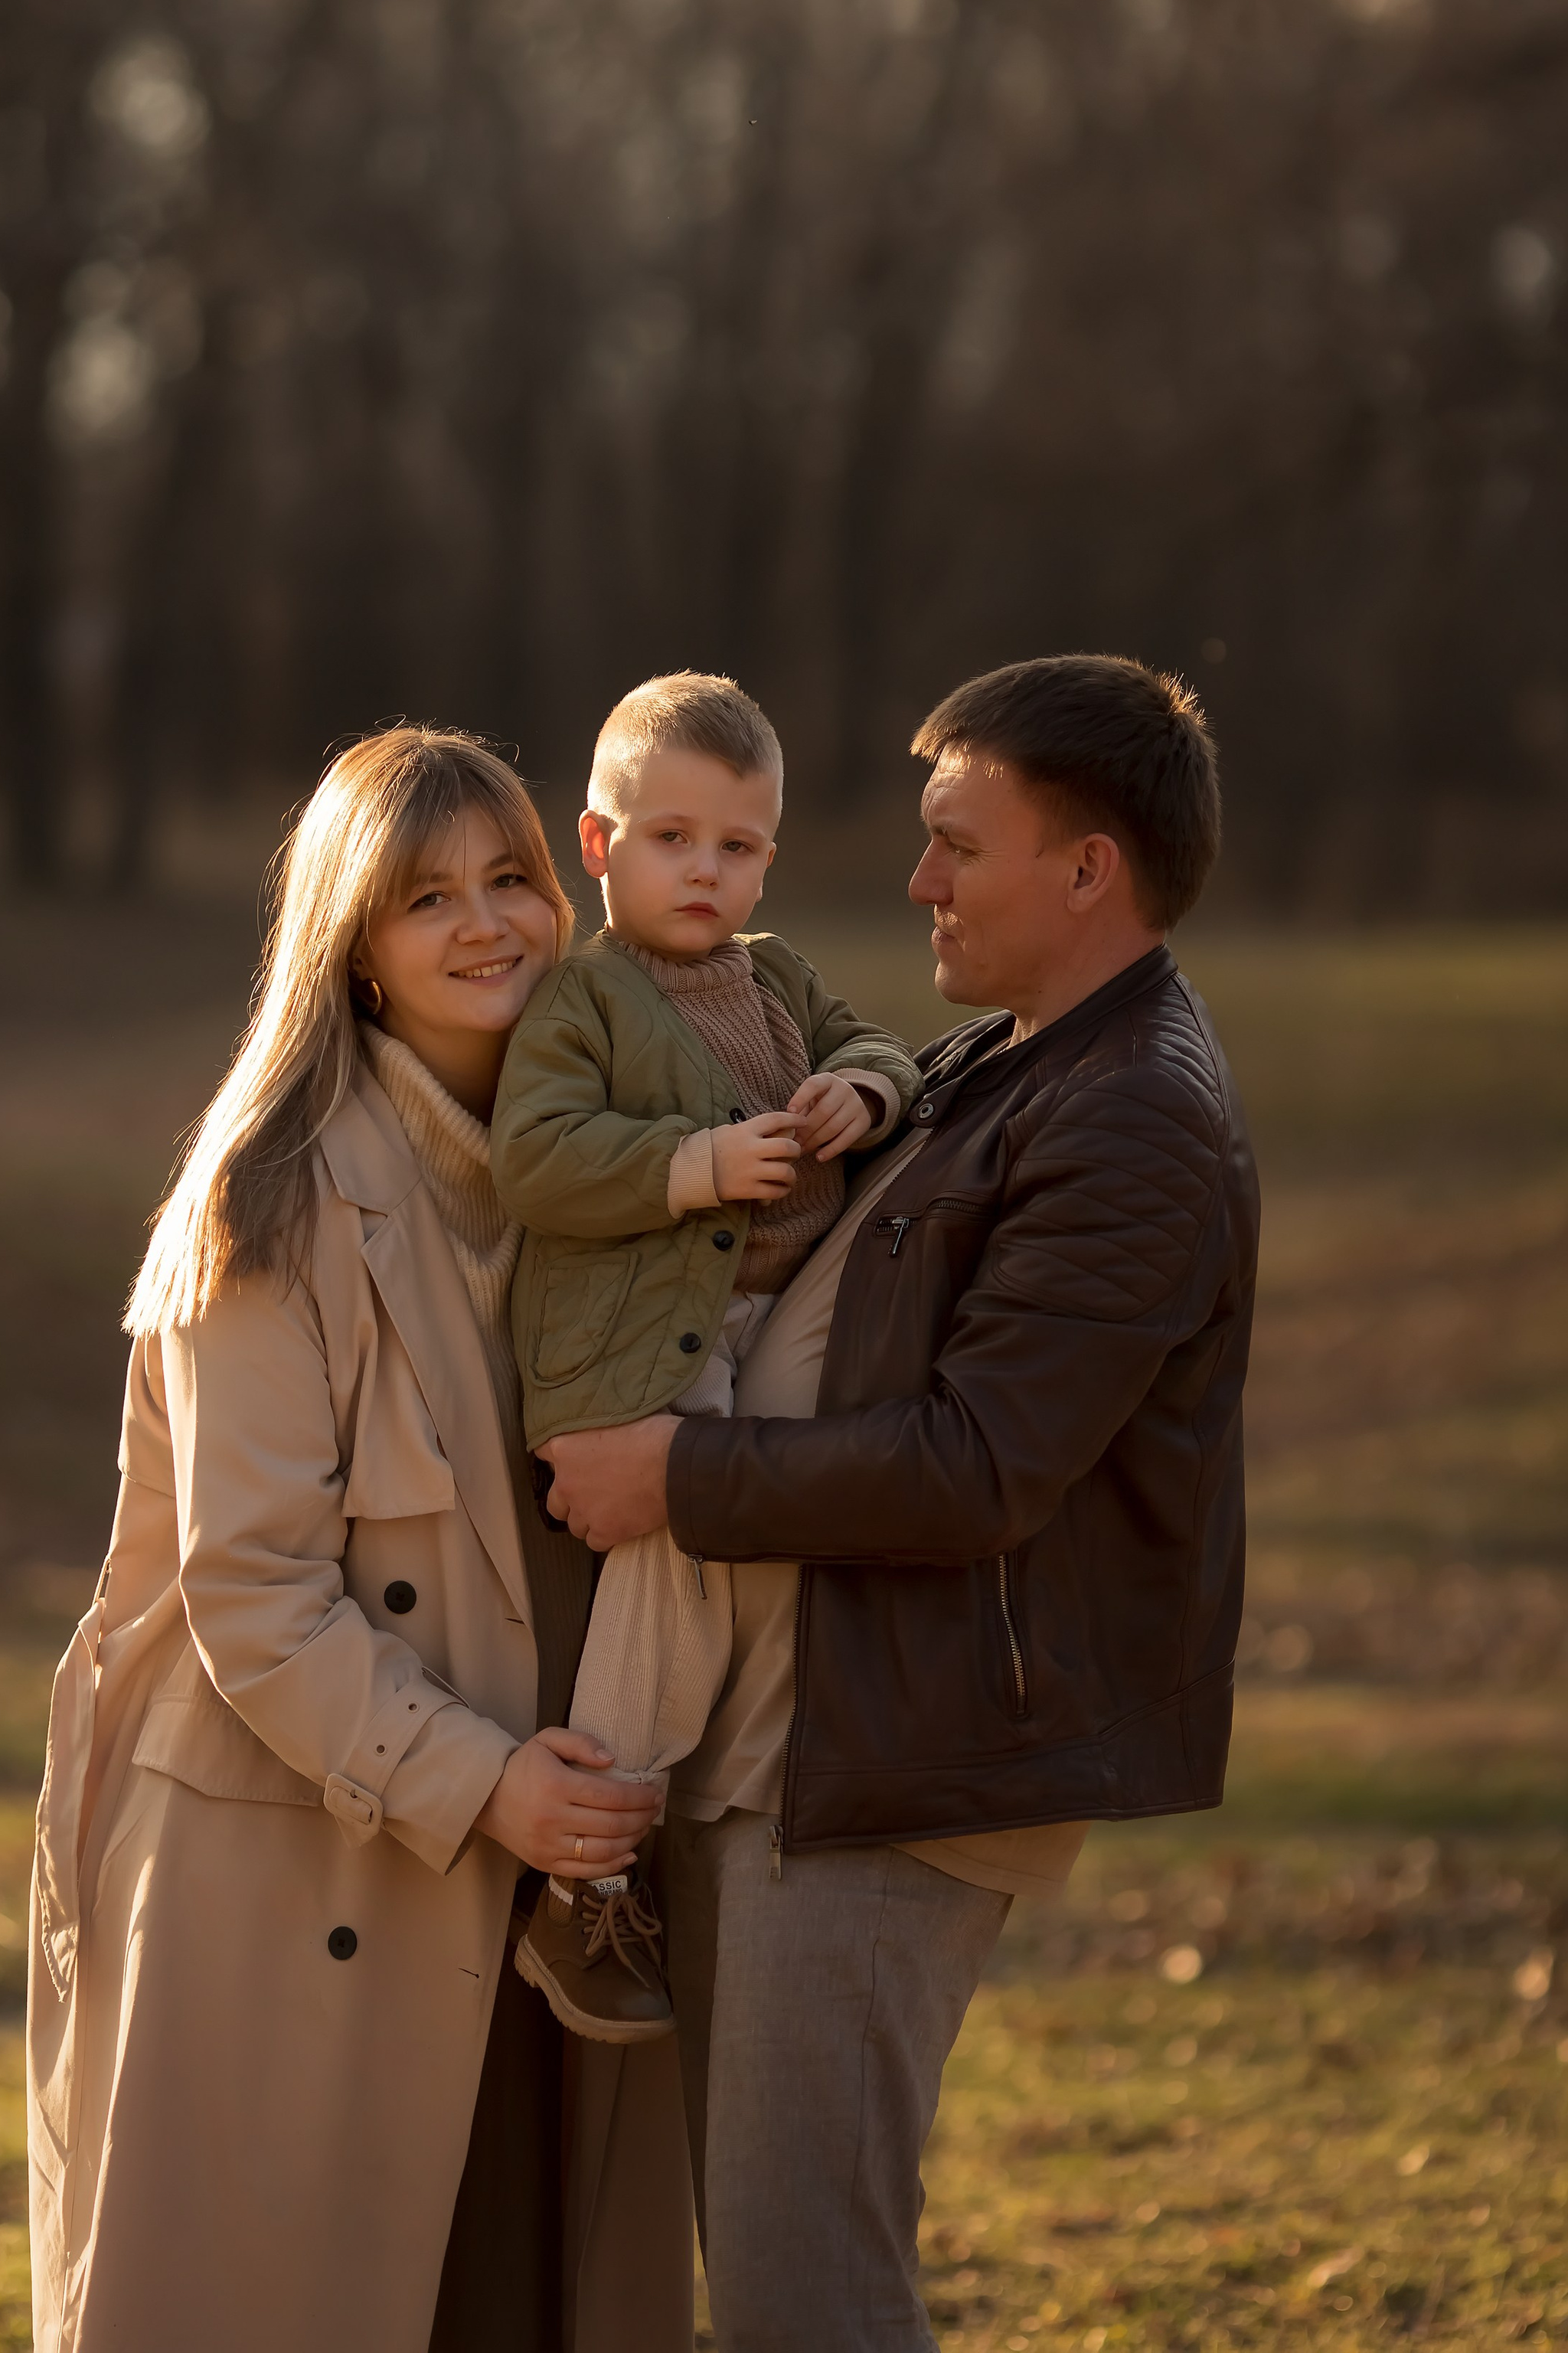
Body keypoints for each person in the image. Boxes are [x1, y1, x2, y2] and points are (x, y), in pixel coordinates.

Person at [541, 654, 1261, 2353]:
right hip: (800, 1732)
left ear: (1086, 869)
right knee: (771, 2269)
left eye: (958, 845)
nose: (917, 881)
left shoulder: (1137, 1116)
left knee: (808, 2295)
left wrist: (674, 1474)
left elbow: (977, 1466)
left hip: (896, 1762)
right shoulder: (999, 1061)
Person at [26, 727, 694, 2353]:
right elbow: (250, 1592)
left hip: (553, 1865)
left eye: (512, 880)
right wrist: (489, 1786)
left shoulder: (605, 1168)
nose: (487, 926)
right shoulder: (269, 1194)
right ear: (355, 953)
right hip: (316, 1862)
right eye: (423, 900)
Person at [488, 673, 921, 2041]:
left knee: (749, 1567)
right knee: (682, 1543)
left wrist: (864, 1089)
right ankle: (590, 1872)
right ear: (600, 845)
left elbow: (877, 1042)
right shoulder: (583, 1003)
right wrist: (693, 1165)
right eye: (673, 840)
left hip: (762, 1326)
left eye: (736, 848)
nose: (706, 872)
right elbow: (538, 1160)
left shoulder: (776, 971)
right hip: (638, 1346)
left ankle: (670, 1818)